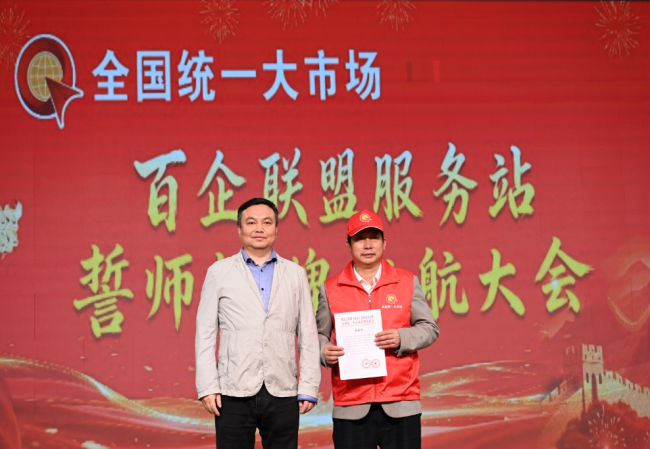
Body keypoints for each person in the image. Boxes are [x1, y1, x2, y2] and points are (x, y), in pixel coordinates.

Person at [195, 198, 321, 449]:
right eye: (251, 223)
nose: (259, 229)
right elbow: (205, 333)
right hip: (232, 390)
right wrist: (208, 386)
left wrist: (308, 386)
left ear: (276, 229)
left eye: (267, 222)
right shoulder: (219, 272)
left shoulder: (295, 273)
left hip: (282, 389)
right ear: (239, 229)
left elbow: (308, 333)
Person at [316, 209, 440, 449]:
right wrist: (324, 351)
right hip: (351, 404)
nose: (368, 245)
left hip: (401, 401)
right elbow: (319, 335)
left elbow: (430, 328)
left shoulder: (406, 281)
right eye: (360, 239)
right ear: (349, 245)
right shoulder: (330, 288)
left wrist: (401, 337)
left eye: (374, 237)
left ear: (384, 243)